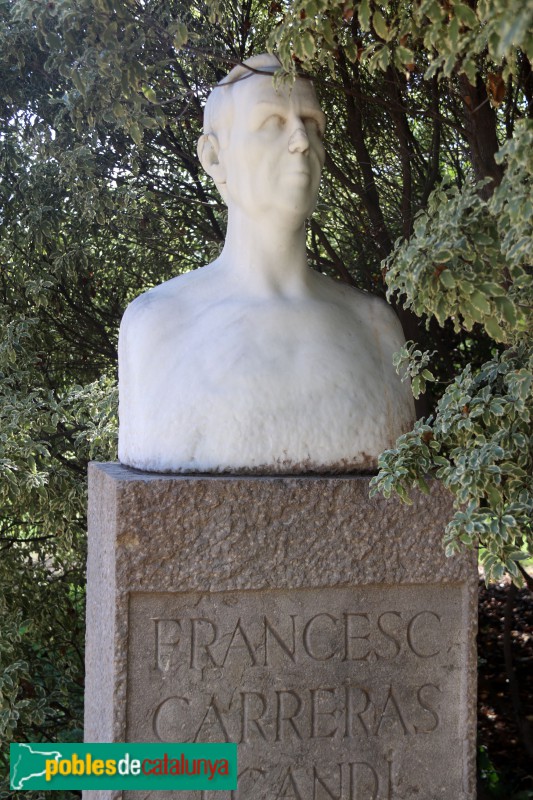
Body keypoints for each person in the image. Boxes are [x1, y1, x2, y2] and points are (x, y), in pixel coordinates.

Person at [118, 54, 415, 473]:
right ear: (214, 158)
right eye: (272, 122)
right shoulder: (156, 326)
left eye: (312, 123)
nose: (301, 140)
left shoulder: (375, 327)